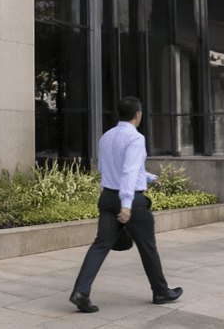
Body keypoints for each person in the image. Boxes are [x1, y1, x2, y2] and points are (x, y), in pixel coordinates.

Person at [69, 97, 182, 313]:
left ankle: (80, 292)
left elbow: (112, 169)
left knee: (100, 245)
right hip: (131, 201)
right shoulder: (136, 138)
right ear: (138, 115)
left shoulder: (107, 136)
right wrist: (127, 205)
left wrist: (150, 178)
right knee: (147, 246)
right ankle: (161, 292)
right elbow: (128, 171)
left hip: (107, 197)